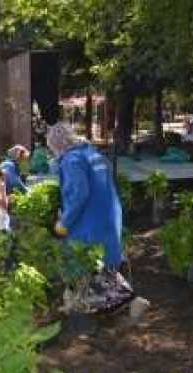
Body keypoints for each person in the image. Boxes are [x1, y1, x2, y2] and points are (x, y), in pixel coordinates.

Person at [47, 122, 148, 318]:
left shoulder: (72, 160)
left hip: (89, 221)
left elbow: (79, 194)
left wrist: (64, 222)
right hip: (106, 215)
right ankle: (80, 303)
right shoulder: (91, 154)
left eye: (52, 148)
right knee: (102, 263)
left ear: (57, 145)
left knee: (87, 262)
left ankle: (126, 302)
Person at [0, 166, 11, 231]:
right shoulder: (1, 188)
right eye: (2, 179)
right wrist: (3, 190)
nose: (3, 181)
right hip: (0, 225)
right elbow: (4, 205)